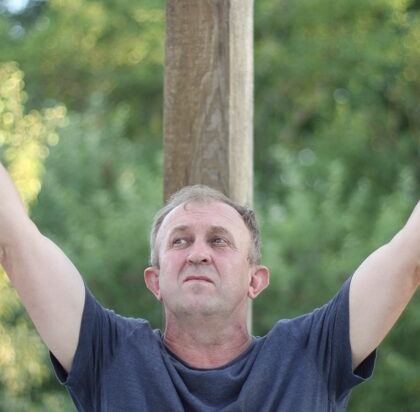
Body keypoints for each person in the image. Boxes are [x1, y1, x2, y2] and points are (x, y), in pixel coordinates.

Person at [0, 161, 419, 411]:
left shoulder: (310, 355)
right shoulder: (109, 354)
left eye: (219, 241)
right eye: (180, 241)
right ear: (155, 281)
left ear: (255, 280)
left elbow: (411, 256)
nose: (198, 254)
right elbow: (12, 239)